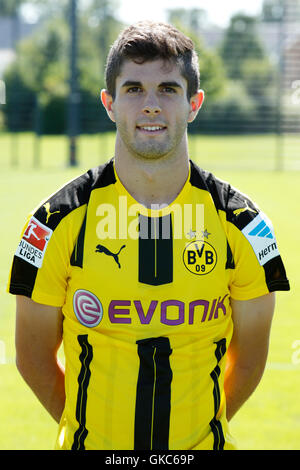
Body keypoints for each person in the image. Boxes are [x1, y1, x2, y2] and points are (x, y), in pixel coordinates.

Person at [7, 21, 290, 451]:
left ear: (194, 103)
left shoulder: (244, 226)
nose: (151, 105)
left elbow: (249, 360)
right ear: (109, 102)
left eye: (169, 89)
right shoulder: (55, 222)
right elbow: (32, 358)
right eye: (134, 89)